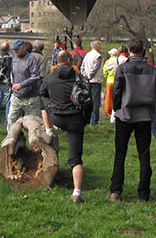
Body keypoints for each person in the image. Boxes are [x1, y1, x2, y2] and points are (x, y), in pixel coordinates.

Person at [108, 36, 156, 203]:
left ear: (129, 50)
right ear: (142, 51)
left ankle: (116, 190)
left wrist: (117, 107)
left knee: (120, 154)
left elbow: (117, 92)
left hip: (125, 114)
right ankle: (144, 194)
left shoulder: (122, 69)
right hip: (145, 116)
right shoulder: (152, 70)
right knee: (144, 155)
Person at [40, 50, 89, 203]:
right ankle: (77, 192)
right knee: (75, 157)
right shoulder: (78, 77)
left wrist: (51, 105)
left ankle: (48, 129)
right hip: (75, 119)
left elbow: (41, 93)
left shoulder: (50, 77)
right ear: (69, 60)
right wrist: (85, 119)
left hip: (57, 117)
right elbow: (88, 99)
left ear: (57, 60)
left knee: (43, 104)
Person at [7, 39, 42, 127]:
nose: (15, 51)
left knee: (36, 122)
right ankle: (11, 138)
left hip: (31, 98)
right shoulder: (14, 60)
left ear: (23, 48)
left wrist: (21, 85)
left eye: (17, 49)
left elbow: (35, 76)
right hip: (16, 97)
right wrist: (12, 83)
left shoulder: (31, 59)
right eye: (13, 50)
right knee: (11, 119)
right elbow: (12, 74)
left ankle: (38, 139)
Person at [80, 40, 104, 125]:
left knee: (88, 100)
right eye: (100, 46)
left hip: (87, 81)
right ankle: (94, 120)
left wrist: (84, 76)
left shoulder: (87, 55)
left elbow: (82, 67)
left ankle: (87, 118)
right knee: (95, 101)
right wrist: (89, 76)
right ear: (97, 47)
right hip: (95, 81)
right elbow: (95, 68)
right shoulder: (98, 56)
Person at [103, 48, 120, 120]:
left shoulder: (108, 61)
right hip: (116, 81)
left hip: (109, 81)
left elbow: (104, 71)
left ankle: (108, 111)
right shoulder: (119, 60)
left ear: (112, 54)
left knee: (108, 97)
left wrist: (106, 76)